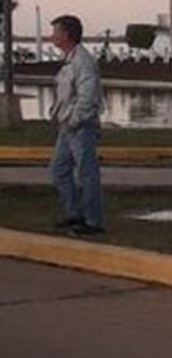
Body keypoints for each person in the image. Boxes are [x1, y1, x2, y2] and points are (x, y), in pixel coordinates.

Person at [48, 15, 105, 236]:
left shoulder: (82, 61)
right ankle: (74, 213)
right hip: (68, 125)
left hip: (81, 126)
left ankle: (93, 221)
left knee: (86, 172)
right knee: (59, 170)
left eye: (55, 31)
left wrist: (74, 119)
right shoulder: (70, 59)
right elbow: (66, 92)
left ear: (66, 35)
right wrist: (57, 112)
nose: (52, 36)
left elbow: (88, 95)